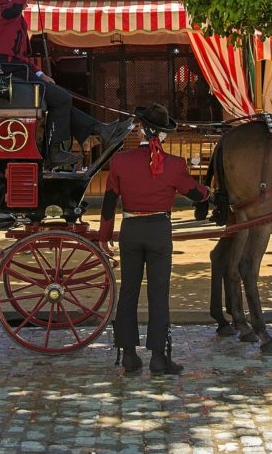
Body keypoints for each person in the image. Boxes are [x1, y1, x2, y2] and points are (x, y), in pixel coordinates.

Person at [99, 103, 210, 376]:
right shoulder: (174, 164)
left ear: (142, 131)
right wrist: (208, 192)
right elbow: (194, 193)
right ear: (160, 136)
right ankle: (159, 358)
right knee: (158, 295)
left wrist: (104, 237)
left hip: (130, 229)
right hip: (159, 230)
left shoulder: (120, 161)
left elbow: (109, 202)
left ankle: (128, 356)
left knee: (128, 293)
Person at [0, 0, 130, 166]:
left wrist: (39, 74)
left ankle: (101, 130)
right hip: (8, 73)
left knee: (60, 99)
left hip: (18, 70)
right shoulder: (0, 9)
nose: (27, 1)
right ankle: (56, 151)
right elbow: (14, 9)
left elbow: (22, 57)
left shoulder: (14, 18)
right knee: (62, 98)